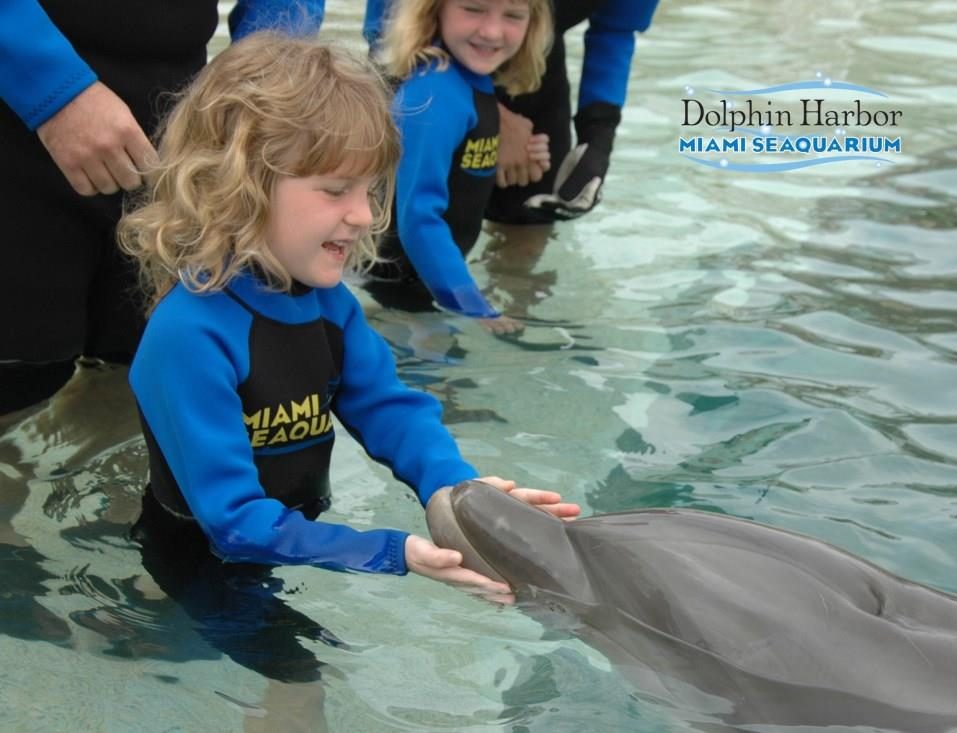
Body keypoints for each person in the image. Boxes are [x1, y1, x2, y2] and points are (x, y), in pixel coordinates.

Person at [116, 33, 579, 681]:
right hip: (208, 553)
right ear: (240, 183)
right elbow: (235, 521)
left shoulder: (328, 304)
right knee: (295, 689)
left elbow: (391, 409)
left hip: (299, 538)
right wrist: (394, 551)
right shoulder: (189, 337)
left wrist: (453, 492)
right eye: (337, 189)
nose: (365, 215)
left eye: (370, 188)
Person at [0, 0, 325, 417]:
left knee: (141, 377)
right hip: (16, 122)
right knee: (20, 381)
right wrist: (53, 92)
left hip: (172, 143)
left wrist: (257, 83)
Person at [363, 0, 659, 224]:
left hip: (533, 59)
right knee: (403, 226)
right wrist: (488, 118)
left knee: (529, 227)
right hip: (423, 55)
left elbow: (615, 30)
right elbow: (388, 29)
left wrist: (598, 138)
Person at [364, 0, 553, 333]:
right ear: (433, 9)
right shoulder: (434, 93)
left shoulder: (466, 80)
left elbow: (459, 176)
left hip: (427, 283)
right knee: (432, 380)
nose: (492, 31)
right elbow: (419, 217)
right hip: (403, 289)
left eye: (512, 15)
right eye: (473, 9)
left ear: (533, 24)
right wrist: (473, 307)